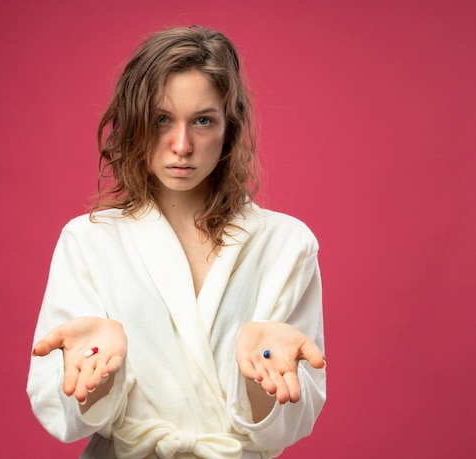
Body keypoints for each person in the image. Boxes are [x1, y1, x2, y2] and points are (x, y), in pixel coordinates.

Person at [27, 25, 326, 459]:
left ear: (229, 128)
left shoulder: (286, 245)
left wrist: (258, 381)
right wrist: (102, 374)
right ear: (134, 122)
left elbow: (287, 427)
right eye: (161, 119)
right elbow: (62, 414)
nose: (181, 145)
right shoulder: (89, 240)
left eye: (203, 120)